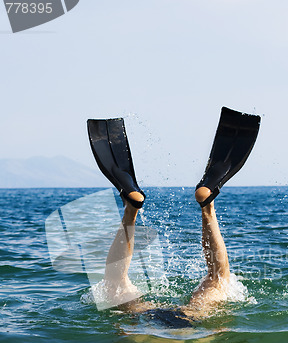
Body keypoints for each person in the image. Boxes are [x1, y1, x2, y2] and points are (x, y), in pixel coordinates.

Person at [87, 107, 260, 322]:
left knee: (115, 286)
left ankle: (131, 209)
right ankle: (207, 205)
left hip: (146, 323)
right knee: (217, 281)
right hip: (189, 321)